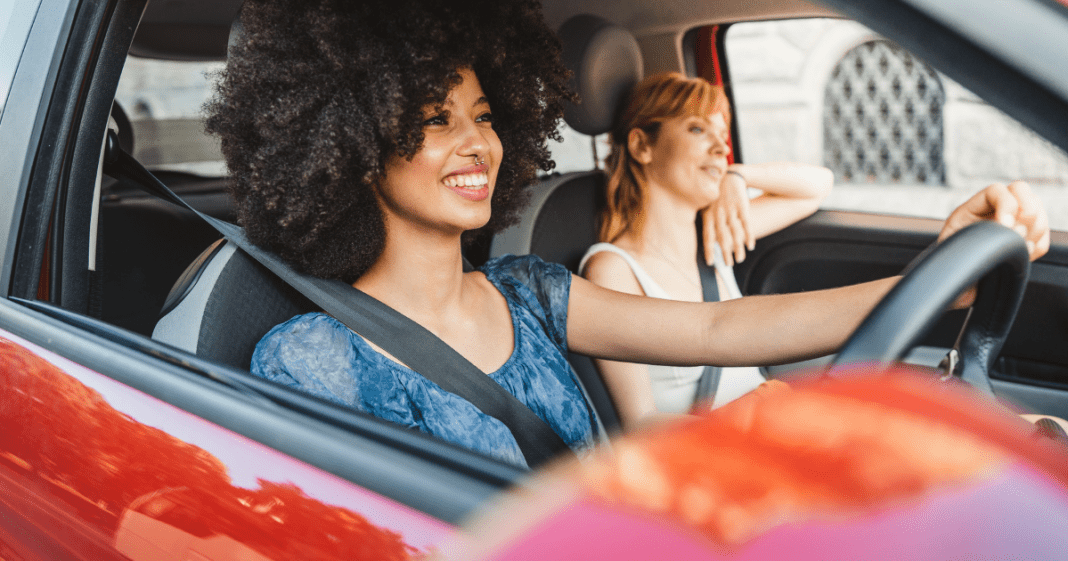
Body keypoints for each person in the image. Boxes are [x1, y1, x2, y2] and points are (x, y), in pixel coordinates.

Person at [205, 0, 1051, 469]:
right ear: (351, 146)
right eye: (434, 120)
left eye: (486, 115)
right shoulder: (311, 357)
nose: (479, 145)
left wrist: (946, 278)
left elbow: (721, 328)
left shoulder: (532, 292)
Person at [581, 73, 835, 425]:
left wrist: (739, 176)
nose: (721, 148)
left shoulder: (714, 235)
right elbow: (640, 423)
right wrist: (747, 428)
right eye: (698, 130)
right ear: (642, 146)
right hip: (719, 454)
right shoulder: (614, 269)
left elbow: (819, 186)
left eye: (722, 135)